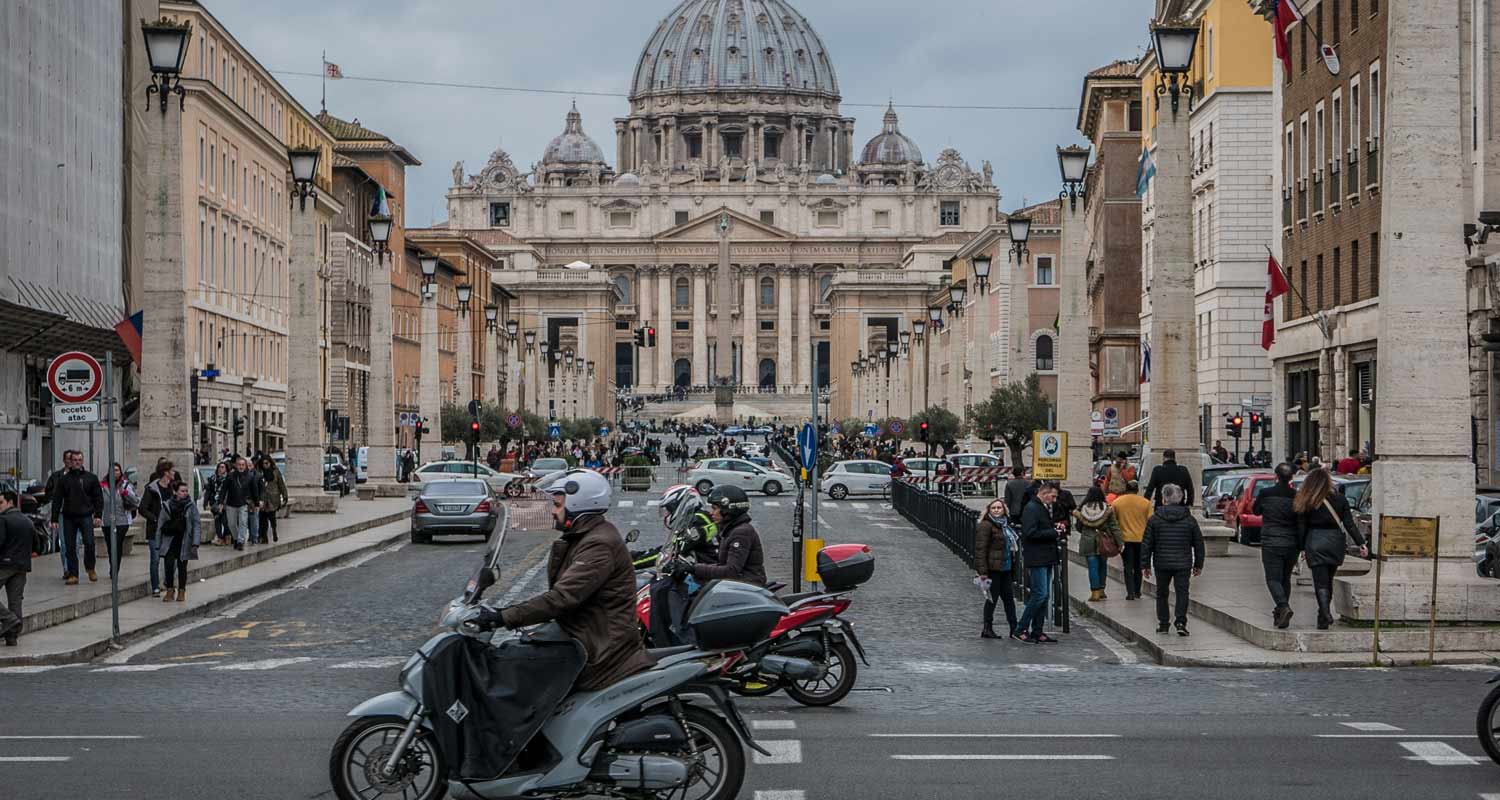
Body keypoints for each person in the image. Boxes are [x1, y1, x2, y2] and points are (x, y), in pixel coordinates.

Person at [484, 469, 653, 691]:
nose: (552, 511)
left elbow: (562, 598)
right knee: (518, 653)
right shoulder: (587, 536)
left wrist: (502, 617)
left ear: (577, 505)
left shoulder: (598, 544)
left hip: (599, 648)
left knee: (516, 670)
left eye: (557, 505)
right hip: (585, 633)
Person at [1295, 468, 1367, 629]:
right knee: (1329, 579)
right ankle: (1323, 617)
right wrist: (1361, 543)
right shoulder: (1340, 499)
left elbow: (1301, 527)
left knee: (1319, 582)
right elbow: (1349, 524)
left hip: (1315, 540)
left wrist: (1302, 548)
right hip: (1335, 541)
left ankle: (1325, 613)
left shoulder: (1306, 500)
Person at [648, 485, 719, 646]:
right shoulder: (694, 519)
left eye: (669, 509)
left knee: (668, 597)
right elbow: (669, 548)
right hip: (700, 572)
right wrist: (638, 555)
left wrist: (633, 561)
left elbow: (674, 549)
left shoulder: (698, 520)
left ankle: (681, 643)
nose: (667, 514)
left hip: (705, 574)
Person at [1141, 484, 1205, 636]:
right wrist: (1198, 564)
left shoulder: (1155, 519)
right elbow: (1198, 544)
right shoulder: (1189, 520)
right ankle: (1181, 621)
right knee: (1182, 592)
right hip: (1183, 563)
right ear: (1181, 498)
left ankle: (1164, 623)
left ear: (1164, 499)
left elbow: (1147, 543)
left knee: (1162, 593)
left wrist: (1145, 564)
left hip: (1162, 562)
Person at [681, 484, 767, 587]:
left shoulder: (741, 533)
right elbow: (722, 565)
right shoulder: (730, 530)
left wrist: (694, 568)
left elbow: (731, 571)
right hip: (738, 583)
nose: (711, 513)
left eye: (715, 509)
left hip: (748, 584)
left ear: (728, 510)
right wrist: (694, 568)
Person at [1254, 463, 1302, 628]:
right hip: (1291, 542)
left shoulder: (1265, 493)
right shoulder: (1296, 496)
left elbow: (1256, 511)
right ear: (1291, 478)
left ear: (1276, 476)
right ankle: (1281, 613)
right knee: (1285, 578)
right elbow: (1300, 520)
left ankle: (1283, 606)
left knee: (1273, 578)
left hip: (1271, 540)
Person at [1015, 482, 1061, 644]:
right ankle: (1021, 628)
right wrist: (1053, 532)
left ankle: (1037, 630)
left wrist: (1054, 529)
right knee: (1039, 594)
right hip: (1037, 557)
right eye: (1053, 496)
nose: (1054, 500)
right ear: (1044, 493)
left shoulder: (1040, 507)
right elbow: (1030, 532)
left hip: (1045, 556)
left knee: (1044, 595)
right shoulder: (1032, 508)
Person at [49, 450, 103, 585]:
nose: (77, 462)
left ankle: (90, 567)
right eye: (74, 460)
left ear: (82, 461)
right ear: (70, 462)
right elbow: (57, 499)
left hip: (86, 516)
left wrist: (98, 515)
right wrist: (54, 518)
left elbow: (98, 498)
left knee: (89, 543)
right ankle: (73, 574)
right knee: (70, 546)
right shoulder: (64, 479)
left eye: (79, 460)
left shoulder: (91, 478)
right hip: (69, 517)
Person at [974, 498, 1020, 639]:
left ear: (1004, 510)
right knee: (991, 599)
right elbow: (980, 549)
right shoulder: (986, 525)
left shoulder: (1005, 525)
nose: (996, 510)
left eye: (999, 508)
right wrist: (982, 571)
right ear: (989, 510)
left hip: (1006, 567)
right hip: (993, 569)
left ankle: (1014, 628)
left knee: (1009, 599)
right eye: (993, 508)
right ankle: (987, 628)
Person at [155, 481, 200, 603]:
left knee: (182, 567)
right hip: (170, 539)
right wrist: (158, 543)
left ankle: (181, 590)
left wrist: (195, 542)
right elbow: (160, 525)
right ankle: (170, 589)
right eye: (182, 491)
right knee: (168, 565)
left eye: (186, 491)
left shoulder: (191, 506)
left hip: (184, 540)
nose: (185, 493)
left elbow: (196, 524)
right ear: (175, 492)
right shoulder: (167, 505)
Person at [1074, 486, 1121, 602]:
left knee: (1092, 567)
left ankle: (1094, 592)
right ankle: (1101, 590)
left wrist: (1086, 532)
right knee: (1102, 565)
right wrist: (1120, 542)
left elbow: (1078, 526)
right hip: (1103, 541)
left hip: (1088, 541)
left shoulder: (1082, 509)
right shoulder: (1107, 509)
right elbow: (1114, 527)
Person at [0, 490, 32, 646]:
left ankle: (10, 620)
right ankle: (12, 636)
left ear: (10, 502)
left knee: (15, 602)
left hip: (5, 564)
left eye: (1, 502)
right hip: (22, 565)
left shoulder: (3, 519)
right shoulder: (27, 520)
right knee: (15, 601)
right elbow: (36, 544)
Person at [139, 464, 176, 596]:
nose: (174, 473)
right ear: (166, 472)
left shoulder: (173, 488)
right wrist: (155, 518)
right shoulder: (152, 489)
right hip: (155, 530)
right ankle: (155, 587)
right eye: (172, 470)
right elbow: (142, 508)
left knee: (172, 559)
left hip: (170, 529)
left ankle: (167, 582)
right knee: (155, 559)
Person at [1111, 480, 1152, 600]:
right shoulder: (1146, 503)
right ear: (1137, 490)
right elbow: (1151, 521)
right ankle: (1137, 591)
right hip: (1141, 539)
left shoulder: (1117, 502)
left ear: (1126, 489)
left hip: (1125, 539)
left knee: (1128, 566)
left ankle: (1130, 592)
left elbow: (1113, 521)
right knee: (1139, 566)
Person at [100, 463, 139, 577]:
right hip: (107, 520)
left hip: (122, 520)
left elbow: (136, 501)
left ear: (120, 472)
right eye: (112, 470)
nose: (115, 472)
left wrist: (125, 493)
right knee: (110, 545)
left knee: (117, 544)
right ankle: (112, 565)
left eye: (117, 470)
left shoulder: (126, 485)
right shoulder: (102, 485)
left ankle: (115, 569)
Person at [218, 456, 260, 551]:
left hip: (243, 503)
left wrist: (256, 504)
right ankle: (236, 538)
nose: (241, 467)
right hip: (231, 503)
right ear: (236, 466)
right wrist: (221, 502)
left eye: (243, 465)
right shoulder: (230, 476)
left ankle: (241, 541)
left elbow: (255, 491)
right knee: (231, 524)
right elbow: (224, 489)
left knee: (243, 522)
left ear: (245, 466)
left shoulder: (250, 476)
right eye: (239, 465)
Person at [257, 456, 287, 544]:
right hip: (263, 498)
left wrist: (285, 496)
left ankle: (274, 530)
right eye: (263, 463)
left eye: (267, 463)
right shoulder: (260, 473)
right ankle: (264, 537)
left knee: (272, 517)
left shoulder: (276, 472)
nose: (265, 465)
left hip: (273, 499)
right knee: (262, 519)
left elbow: (281, 484)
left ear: (270, 463)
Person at [204, 462, 229, 545]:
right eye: (219, 467)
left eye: (223, 467)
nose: (221, 469)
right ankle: (220, 538)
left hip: (226, 502)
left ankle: (226, 536)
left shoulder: (228, 478)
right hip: (215, 502)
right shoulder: (212, 478)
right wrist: (206, 502)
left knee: (225, 521)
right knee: (217, 519)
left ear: (226, 469)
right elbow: (208, 491)